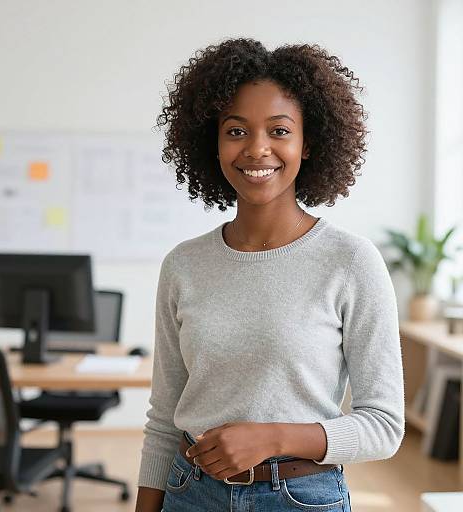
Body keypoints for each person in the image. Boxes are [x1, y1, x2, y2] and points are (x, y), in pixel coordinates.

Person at [135, 38, 404, 512]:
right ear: (212, 142)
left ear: (308, 142)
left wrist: (273, 437)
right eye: (236, 131)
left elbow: (383, 426)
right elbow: (163, 418)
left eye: (279, 130)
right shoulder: (183, 264)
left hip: (300, 498)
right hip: (188, 493)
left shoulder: (351, 262)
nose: (257, 149)